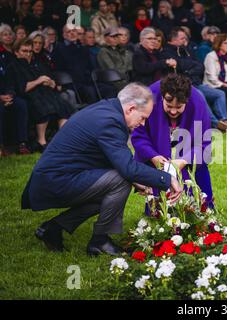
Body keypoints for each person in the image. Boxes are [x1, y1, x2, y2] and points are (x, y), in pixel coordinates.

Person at [22, 82, 182, 256]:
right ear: (131, 109)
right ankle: (100, 241)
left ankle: (53, 228)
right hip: (55, 181)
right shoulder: (110, 122)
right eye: (142, 117)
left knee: (111, 193)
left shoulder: (108, 110)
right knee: (120, 182)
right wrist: (167, 179)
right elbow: (127, 168)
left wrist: (136, 179)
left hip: (59, 176)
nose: (142, 124)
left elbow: (114, 160)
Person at [131, 74, 214, 206]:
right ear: (162, 97)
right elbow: (139, 135)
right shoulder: (147, 99)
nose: (173, 111)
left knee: (198, 202)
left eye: (179, 107)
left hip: (188, 151)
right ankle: (160, 210)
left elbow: (203, 144)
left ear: (187, 101)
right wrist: (153, 156)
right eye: (169, 105)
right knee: (158, 210)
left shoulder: (198, 104)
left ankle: (199, 209)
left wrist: (183, 160)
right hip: (156, 149)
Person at [6, 39, 75, 151]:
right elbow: (22, 88)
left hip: (45, 93)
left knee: (63, 107)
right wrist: (38, 81)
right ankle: (41, 141)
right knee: (43, 107)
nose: (27, 54)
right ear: (16, 52)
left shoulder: (37, 64)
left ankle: (63, 139)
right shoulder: (13, 66)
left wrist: (51, 83)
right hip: (28, 96)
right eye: (24, 51)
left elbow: (51, 79)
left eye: (30, 51)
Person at [0, 24, 30, 156]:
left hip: (9, 92)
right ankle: (1, 146)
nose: (8, 36)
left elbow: (10, 79)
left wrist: (9, 95)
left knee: (21, 104)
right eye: (4, 34)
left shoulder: (12, 57)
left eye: (9, 34)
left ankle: (22, 144)